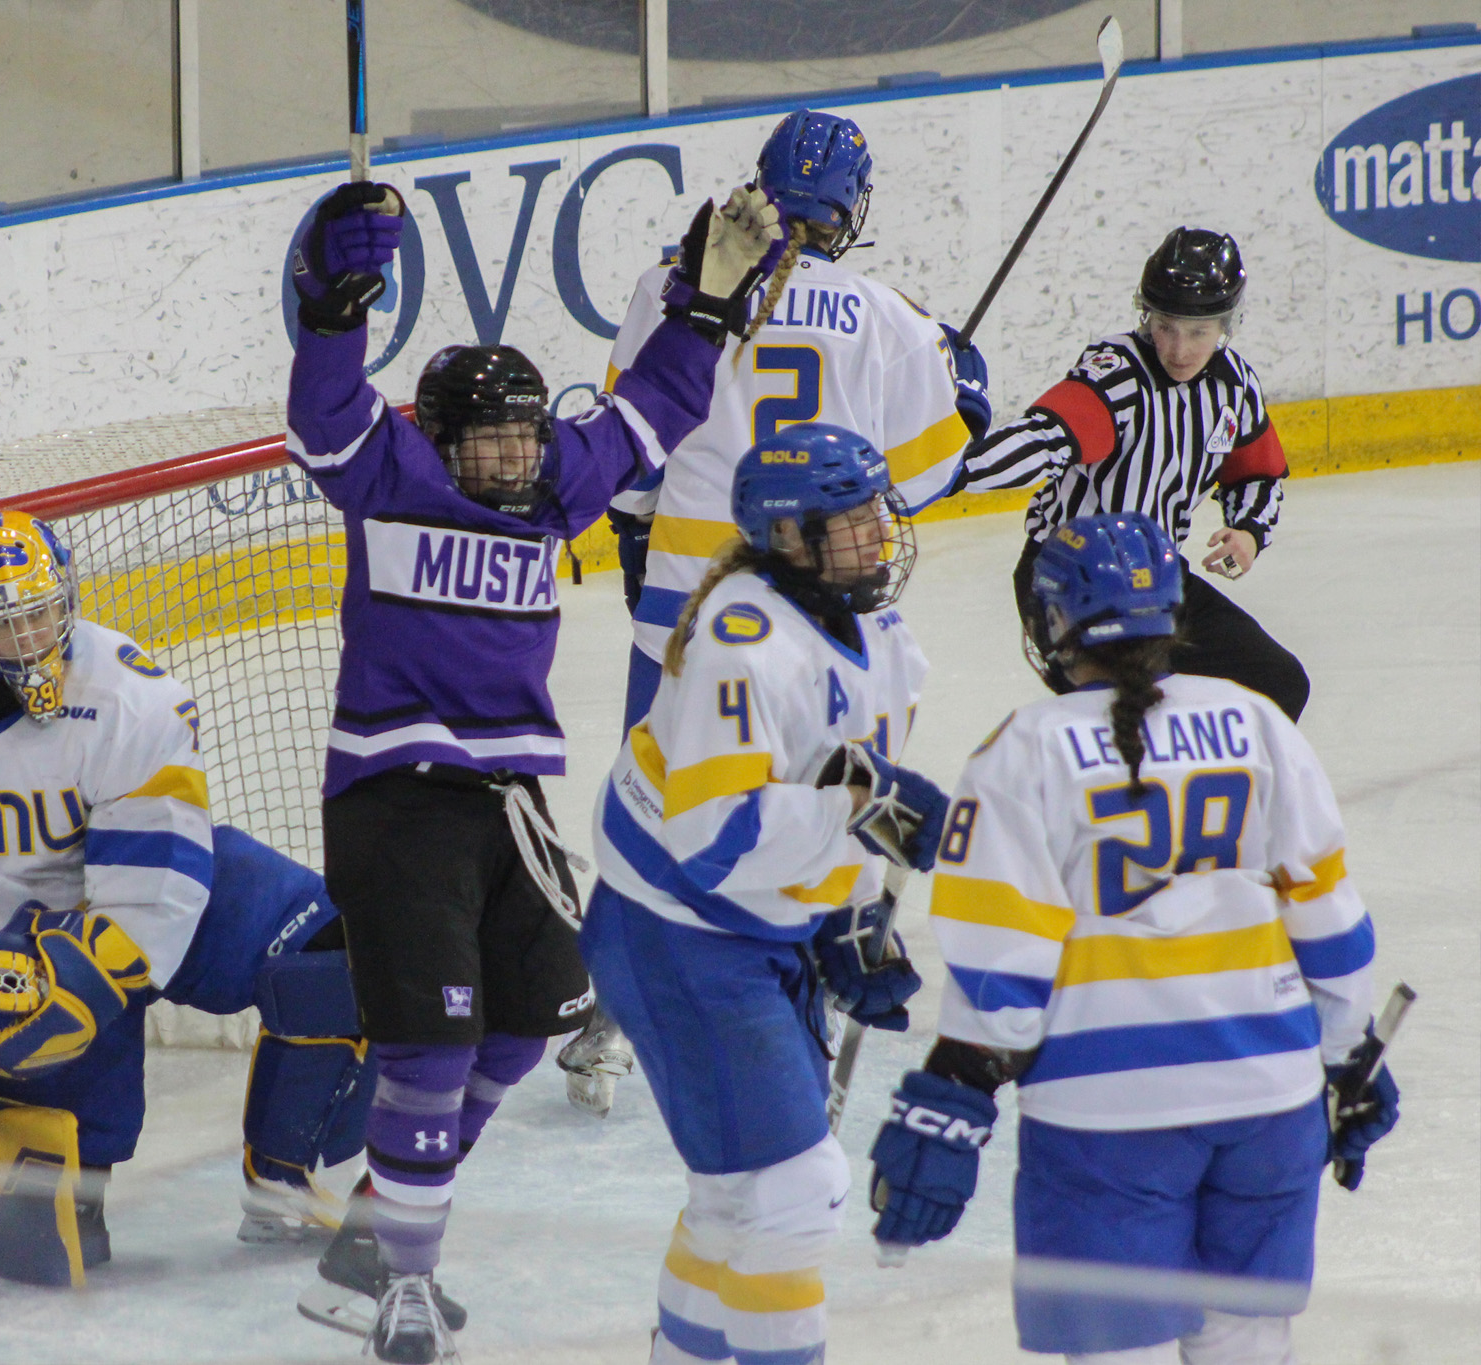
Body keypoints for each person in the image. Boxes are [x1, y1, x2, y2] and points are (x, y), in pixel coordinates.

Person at [283, 178, 777, 1361]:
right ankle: (401, 1282)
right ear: (439, 439)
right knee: (428, 1047)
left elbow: (652, 409)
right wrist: (332, 300)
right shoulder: (387, 475)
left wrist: (702, 307)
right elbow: (323, 412)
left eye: (522, 433)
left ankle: (374, 1227)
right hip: (393, 798)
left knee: (534, 1021)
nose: (513, 454)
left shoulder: (554, 488)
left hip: (510, 808)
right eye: (490, 438)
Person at [867, 513, 1399, 1364]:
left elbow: (1002, 966)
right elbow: (1329, 913)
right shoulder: (1256, 721)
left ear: (1053, 626)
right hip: (1270, 1099)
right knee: (1249, 1345)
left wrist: (956, 1093)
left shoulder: (1025, 748)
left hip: (1106, 1114)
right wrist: (1351, 1052)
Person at [563, 107, 991, 1114]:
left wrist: (631, 532)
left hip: (680, 582)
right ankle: (797, 987)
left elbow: (629, 451)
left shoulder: (669, 283)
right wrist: (961, 398)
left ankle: (605, 1023)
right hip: (805, 585)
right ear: (852, 207)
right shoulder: (881, 313)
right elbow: (920, 479)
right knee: (802, 783)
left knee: (655, 781)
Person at [0, 508, 377, 1286]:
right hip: (16, 949)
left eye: (44, 613)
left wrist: (94, 981)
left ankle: (284, 1176)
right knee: (45, 1257)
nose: (31, 639)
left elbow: (154, 880)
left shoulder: (128, 693)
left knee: (334, 949)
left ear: (69, 598)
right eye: (8, 623)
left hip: (137, 909)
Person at [582, 425, 948, 1365]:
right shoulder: (741, 640)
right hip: (677, 931)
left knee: (737, 1200)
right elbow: (718, 834)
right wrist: (865, 813)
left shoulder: (884, 637)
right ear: (791, 538)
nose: (880, 531)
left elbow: (847, 790)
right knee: (795, 1196)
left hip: (750, 930)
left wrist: (853, 915)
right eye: (855, 517)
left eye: (878, 509)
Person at [950, 226, 1310, 720]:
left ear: (1227, 324)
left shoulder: (1235, 385)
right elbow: (1044, 437)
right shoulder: (1115, 373)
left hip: (1156, 580)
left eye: (1198, 331)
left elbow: (1256, 474)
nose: (1179, 349)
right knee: (1123, 717)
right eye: (1165, 326)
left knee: (1279, 682)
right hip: (1069, 582)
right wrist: (957, 468)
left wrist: (1248, 531)